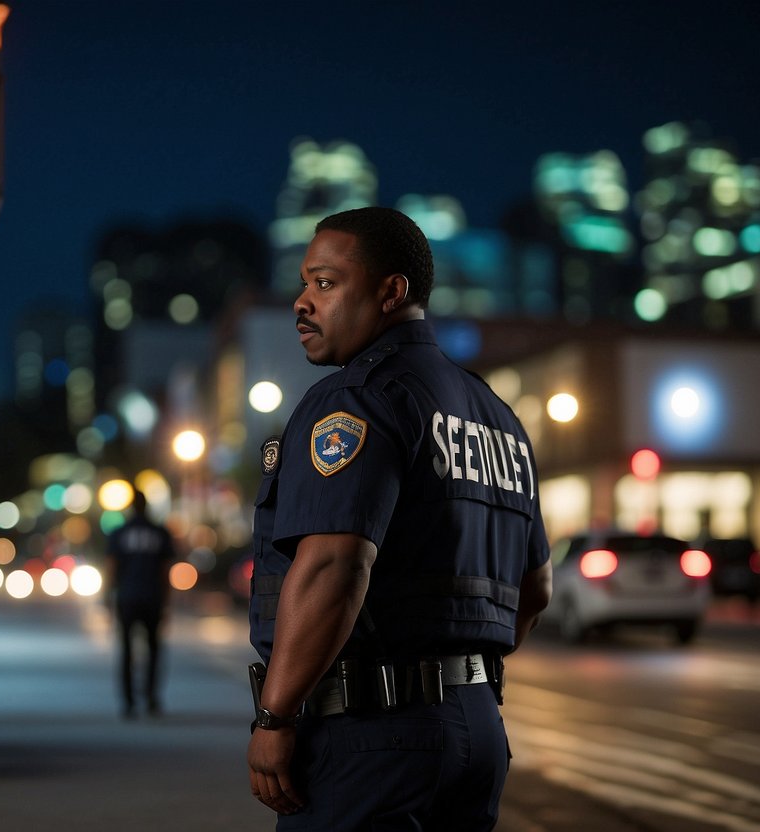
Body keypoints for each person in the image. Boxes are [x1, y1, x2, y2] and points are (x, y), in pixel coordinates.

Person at [246, 206, 553, 830]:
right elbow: (535, 588)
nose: (303, 303)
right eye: (305, 283)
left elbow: (334, 562)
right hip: (476, 730)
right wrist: (457, 675)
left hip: (372, 739)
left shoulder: (358, 397)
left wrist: (274, 715)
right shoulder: (496, 415)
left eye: (326, 283)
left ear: (392, 291)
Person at [105, 489, 175, 718]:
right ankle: (152, 698)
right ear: (147, 506)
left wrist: (108, 596)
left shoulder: (119, 533)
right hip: (153, 597)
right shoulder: (160, 533)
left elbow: (112, 567)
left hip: (127, 597)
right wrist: (167, 601)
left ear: (130, 507)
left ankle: (128, 702)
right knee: (154, 649)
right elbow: (166, 571)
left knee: (126, 650)